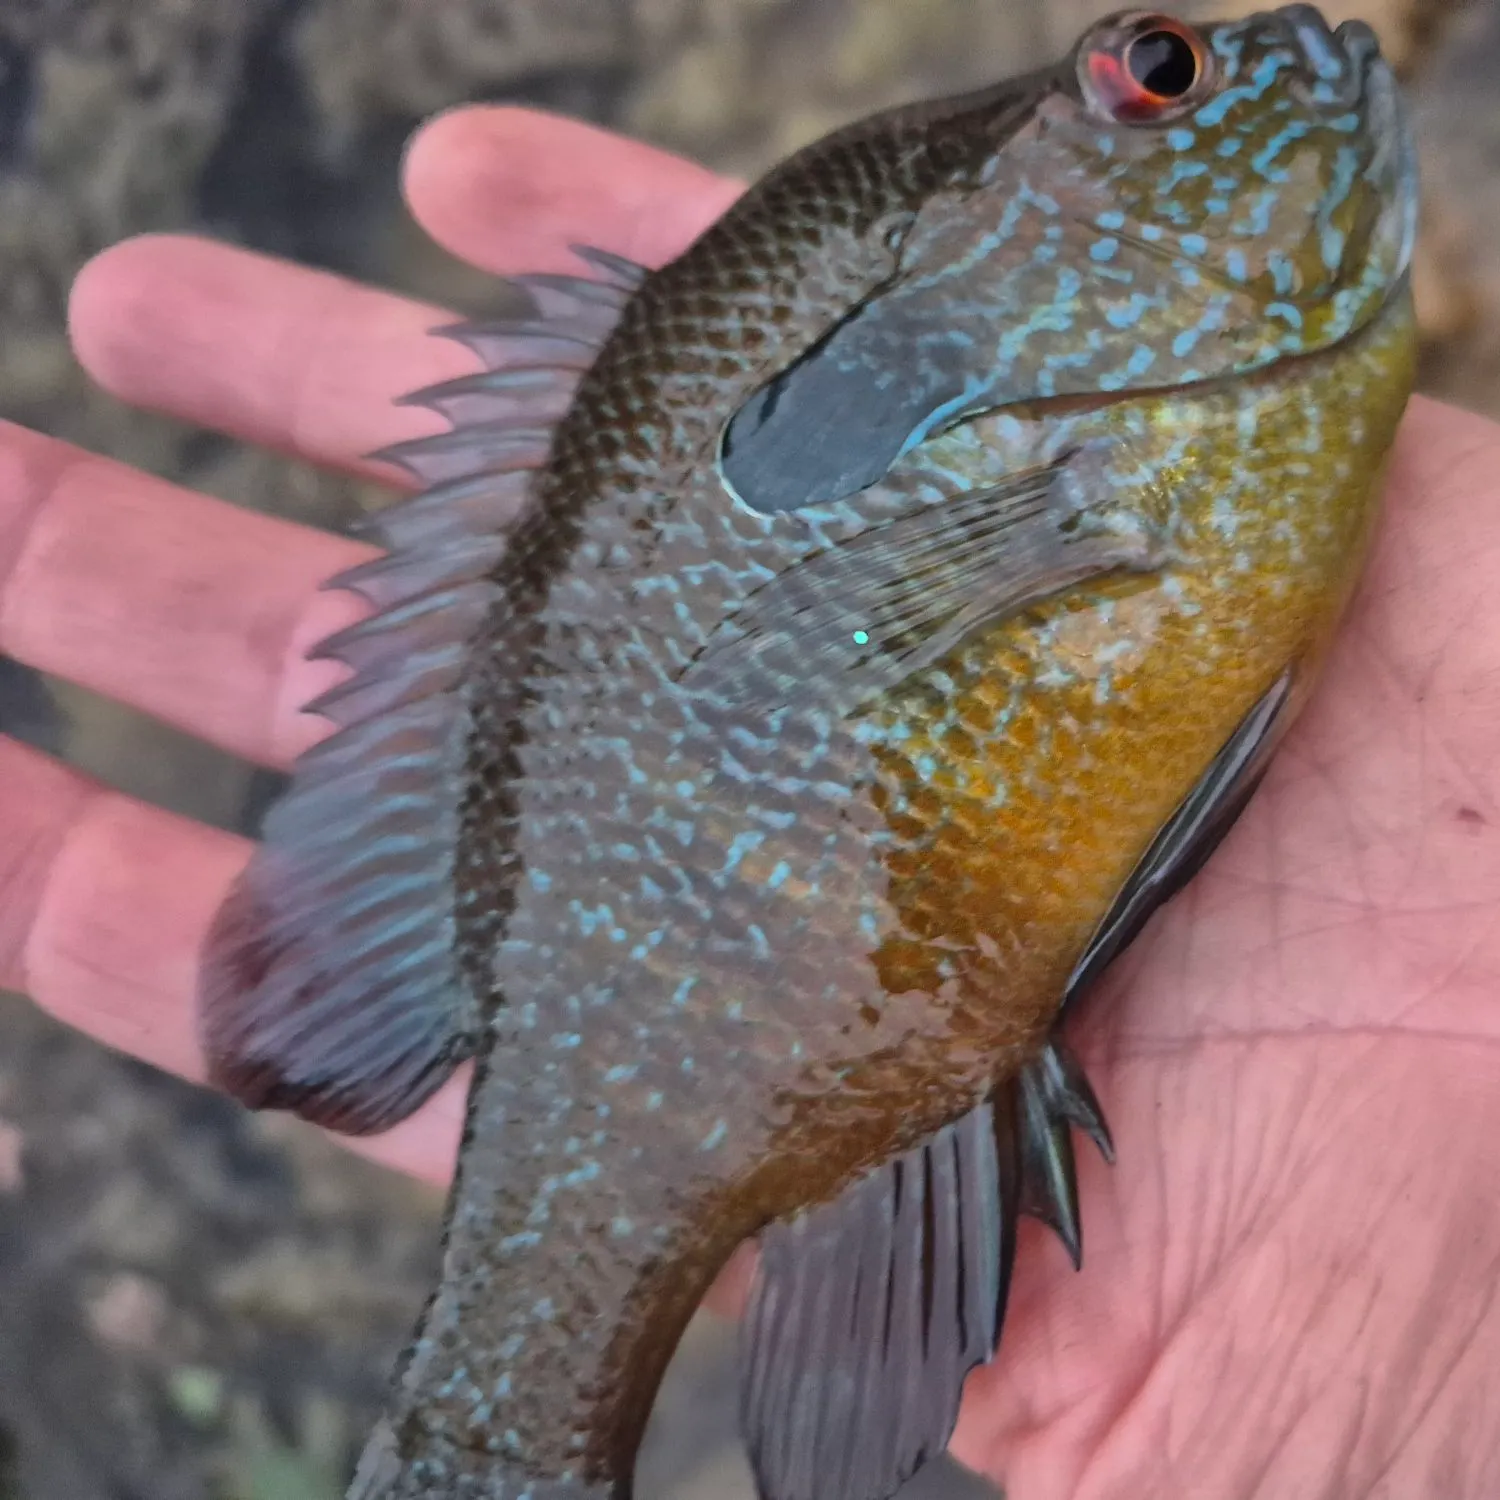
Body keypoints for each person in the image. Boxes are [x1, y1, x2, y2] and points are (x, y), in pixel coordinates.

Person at [0, 105, 1496, 1498]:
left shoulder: (1136, 417)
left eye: (1156, 77)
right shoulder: (1147, 425)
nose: (1226, 78)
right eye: (1153, 74)